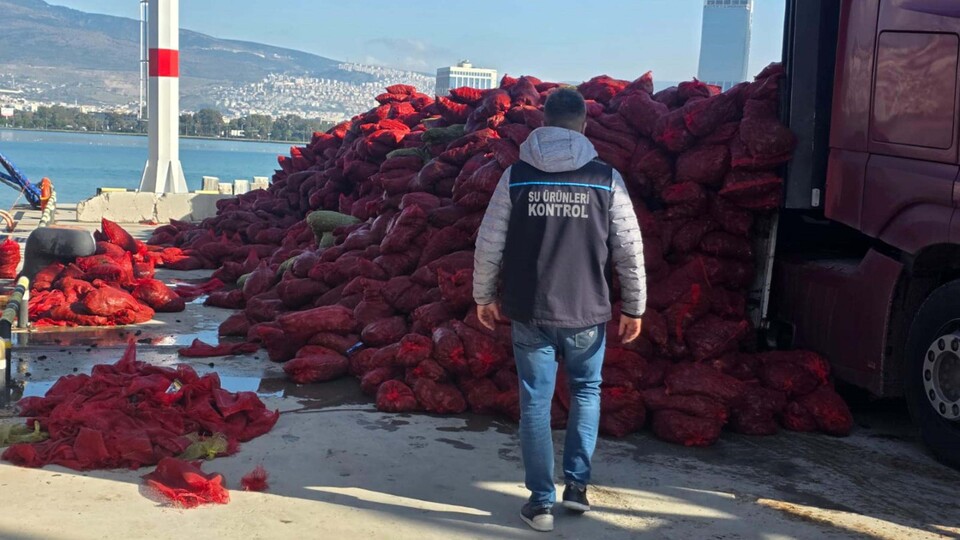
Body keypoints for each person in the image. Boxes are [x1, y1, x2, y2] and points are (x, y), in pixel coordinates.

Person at [473, 87, 647, 532]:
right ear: (584, 126)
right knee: (587, 392)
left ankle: (540, 503)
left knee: (535, 402)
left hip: (531, 310)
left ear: (544, 124)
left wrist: (483, 296)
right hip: (588, 310)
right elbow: (629, 248)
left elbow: (489, 242)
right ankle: (577, 488)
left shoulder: (516, 176)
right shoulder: (605, 178)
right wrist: (635, 306)